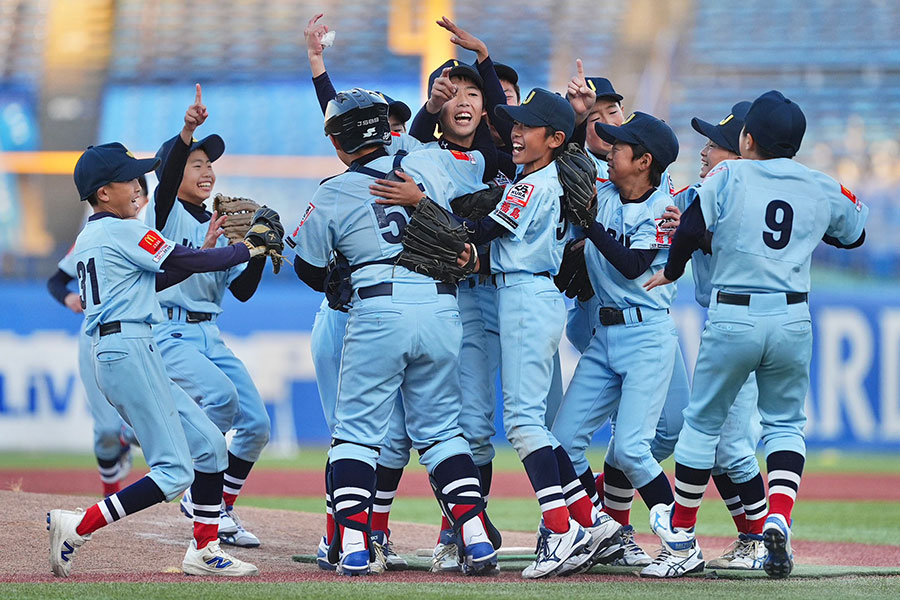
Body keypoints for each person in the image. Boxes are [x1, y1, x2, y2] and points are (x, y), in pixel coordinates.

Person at [643, 90, 868, 579]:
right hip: (792, 316)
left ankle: (680, 539)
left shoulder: (729, 173)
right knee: (785, 425)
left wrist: (676, 268)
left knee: (702, 425)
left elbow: (692, 226)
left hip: (734, 313)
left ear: (747, 138)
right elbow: (854, 234)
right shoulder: (818, 183)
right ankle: (778, 520)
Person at [288, 88, 499, 576]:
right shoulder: (429, 162)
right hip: (444, 304)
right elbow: (485, 171)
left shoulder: (333, 190)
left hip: (379, 305)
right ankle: (473, 535)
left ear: (339, 144)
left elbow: (309, 267)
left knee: (357, 435)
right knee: (444, 431)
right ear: (386, 129)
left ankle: (358, 546)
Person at [47, 141, 281, 577]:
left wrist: (221, 253)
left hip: (130, 345)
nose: (139, 186)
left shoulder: (96, 234)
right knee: (175, 472)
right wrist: (248, 249)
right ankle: (78, 525)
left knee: (211, 445)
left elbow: (162, 278)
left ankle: (205, 550)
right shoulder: (123, 230)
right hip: (128, 349)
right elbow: (184, 257)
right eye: (129, 179)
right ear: (103, 193)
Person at [547, 109, 686, 579]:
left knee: (629, 449)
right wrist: (579, 112)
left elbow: (632, 264)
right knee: (561, 443)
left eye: (618, 148)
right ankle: (604, 529)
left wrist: (590, 230)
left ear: (644, 161)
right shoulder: (602, 194)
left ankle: (681, 542)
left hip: (647, 334)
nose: (608, 153)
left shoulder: (664, 207)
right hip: (605, 335)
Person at [303, 14, 415, 571]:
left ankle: (359, 534)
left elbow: (340, 123)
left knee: (382, 437)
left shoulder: (406, 163)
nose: (390, 130)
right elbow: (338, 118)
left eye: (396, 122)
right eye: (383, 122)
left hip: (379, 313)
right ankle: (342, 536)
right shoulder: (399, 170)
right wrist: (318, 66)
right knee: (350, 435)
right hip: (345, 314)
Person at [147, 86, 273, 549]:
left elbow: (240, 290)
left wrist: (257, 248)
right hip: (169, 330)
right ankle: (185, 469)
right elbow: (163, 188)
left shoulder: (220, 219)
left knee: (257, 425)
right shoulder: (162, 212)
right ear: (175, 169)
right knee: (220, 398)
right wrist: (187, 132)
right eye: (197, 163)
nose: (208, 171)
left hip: (209, 333)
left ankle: (218, 506)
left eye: (209, 163)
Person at [670, 101, 769, 570]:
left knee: (728, 445)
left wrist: (691, 236)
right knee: (712, 449)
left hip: (748, 320)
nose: (705, 151)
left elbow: (741, 246)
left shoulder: (757, 195)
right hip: (723, 321)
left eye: (715, 145)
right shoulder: (699, 194)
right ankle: (753, 538)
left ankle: (763, 539)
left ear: (742, 153)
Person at [45, 176, 149, 498]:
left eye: (139, 189)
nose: (135, 195)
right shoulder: (95, 234)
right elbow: (56, 281)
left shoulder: (153, 231)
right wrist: (68, 298)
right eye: (130, 186)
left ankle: (128, 438)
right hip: (96, 334)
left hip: (145, 334)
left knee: (149, 425)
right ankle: (109, 497)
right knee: (105, 430)